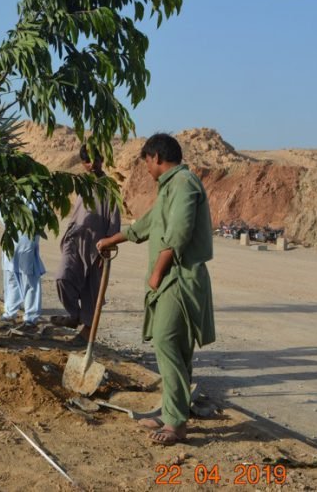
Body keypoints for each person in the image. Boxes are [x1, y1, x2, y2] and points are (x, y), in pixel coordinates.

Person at [96, 133, 215, 446]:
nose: (146, 168)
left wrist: (157, 273)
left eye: (147, 162)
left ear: (156, 158)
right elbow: (146, 225)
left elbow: (179, 233)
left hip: (179, 278)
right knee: (176, 349)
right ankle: (173, 412)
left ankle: (175, 423)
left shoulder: (184, 184)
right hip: (171, 278)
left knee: (166, 341)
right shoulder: (170, 187)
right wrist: (112, 240)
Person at [53, 145, 121, 346]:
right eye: (87, 161)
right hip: (75, 240)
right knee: (62, 277)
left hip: (98, 246)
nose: (92, 165)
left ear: (101, 160)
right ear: (82, 163)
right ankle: (74, 315)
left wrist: (108, 247)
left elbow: (114, 218)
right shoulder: (82, 183)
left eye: (95, 160)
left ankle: (85, 335)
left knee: (93, 292)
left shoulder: (110, 186)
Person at [0, 207, 46, 332]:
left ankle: (31, 317)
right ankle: (10, 311)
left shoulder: (35, 197)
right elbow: (2, 214)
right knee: (11, 277)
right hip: (10, 240)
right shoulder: (7, 197)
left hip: (27, 240)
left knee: (29, 279)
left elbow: (39, 216)